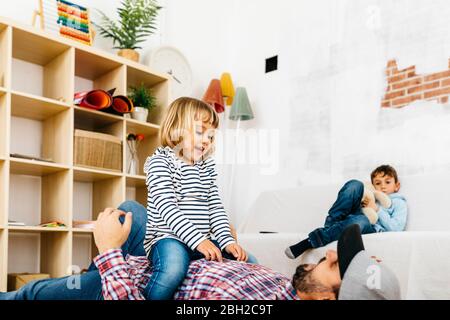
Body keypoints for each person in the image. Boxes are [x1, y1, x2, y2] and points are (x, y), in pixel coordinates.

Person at [0, 206, 400, 300]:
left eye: (339, 267)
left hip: (125, 283)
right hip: (159, 263)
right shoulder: (291, 286)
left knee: (34, 294)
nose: (329, 255)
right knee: (135, 212)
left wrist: (108, 252)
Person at [142, 97, 252, 300]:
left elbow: (216, 208)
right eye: (200, 132)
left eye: (210, 136)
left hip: (202, 240)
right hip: (168, 239)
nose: (206, 141)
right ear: (175, 129)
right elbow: (167, 208)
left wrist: (227, 241)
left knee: (247, 259)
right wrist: (198, 241)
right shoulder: (160, 162)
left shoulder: (206, 168)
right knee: (173, 269)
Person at [285, 165, 408, 259]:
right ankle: (332, 224)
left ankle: (312, 241)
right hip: (352, 216)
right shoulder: (371, 195)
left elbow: (396, 228)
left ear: (396, 186)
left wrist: (377, 209)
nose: (383, 186)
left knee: (361, 221)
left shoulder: (398, 203)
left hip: (369, 227)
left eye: (387, 182)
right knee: (355, 184)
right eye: (378, 183)